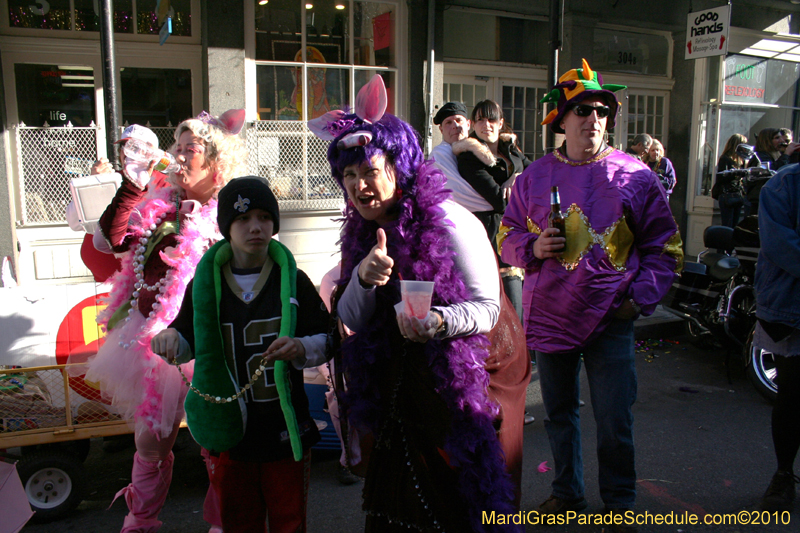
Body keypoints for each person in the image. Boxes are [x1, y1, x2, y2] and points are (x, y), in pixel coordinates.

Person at [309, 75, 530, 532]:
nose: (358, 185)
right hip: (401, 388)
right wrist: (363, 280)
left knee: (464, 500)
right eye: (348, 175)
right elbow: (349, 318)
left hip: (470, 376)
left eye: (369, 171)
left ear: (400, 167)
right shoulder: (361, 230)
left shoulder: (451, 220)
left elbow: (488, 310)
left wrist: (438, 322)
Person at [500, 59, 683, 532]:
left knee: (614, 419)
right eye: (582, 110)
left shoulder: (635, 175)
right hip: (551, 315)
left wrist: (637, 299)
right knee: (559, 414)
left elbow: (665, 247)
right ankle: (567, 493)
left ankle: (619, 502)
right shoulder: (533, 177)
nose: (594, 119)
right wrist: (531, 246)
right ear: (561, 119)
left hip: (611, 319)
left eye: (602, 111)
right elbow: (505, 235)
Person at [73, 111, 247, 533]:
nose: (180, 156)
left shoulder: (234, 212)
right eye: (178, 147)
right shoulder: (159, 204)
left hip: (211, 342)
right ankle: (140, 522)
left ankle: (224, 523)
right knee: (150, 442)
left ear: (216, 161)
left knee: (216, 442)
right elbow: (110, 240)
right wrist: (132, 185)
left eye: (192, 149)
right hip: (153, 340)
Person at [150, 176, 329, 533]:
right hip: (230, 430)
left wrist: (300, 347)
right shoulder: (205, 284)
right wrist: (169, 339)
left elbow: (328, 339)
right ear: (226, 228)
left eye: (264, 217)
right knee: (238, 522)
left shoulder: (294, 280)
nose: (255, 227)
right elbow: (187, 338)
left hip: (284, 430)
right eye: (243, 219)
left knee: (290, 522)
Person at [454, 100, 531, 323]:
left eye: (491, 119)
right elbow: (499, 200)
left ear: (500, 123)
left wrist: (517, 178)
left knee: (526, 313)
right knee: (510, 314)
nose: (486, 124)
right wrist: (520, 186)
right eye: (480, 119)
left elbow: (536, 170)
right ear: (473, 124)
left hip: (521, 235)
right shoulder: (469, 156)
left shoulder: (511, 149)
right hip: (492, 239)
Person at [753, 164, 800, 513]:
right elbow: (780, 244)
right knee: (792, 396)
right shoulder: (784, 185)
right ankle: (784, 474)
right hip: (791, 308)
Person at [712, 133, 758, 228]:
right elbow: (721, 177)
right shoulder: (725, 159)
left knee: (735, 225)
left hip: (737, 194)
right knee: (728, 224)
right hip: (727, 194)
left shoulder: (740, 160)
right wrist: (736, 174)